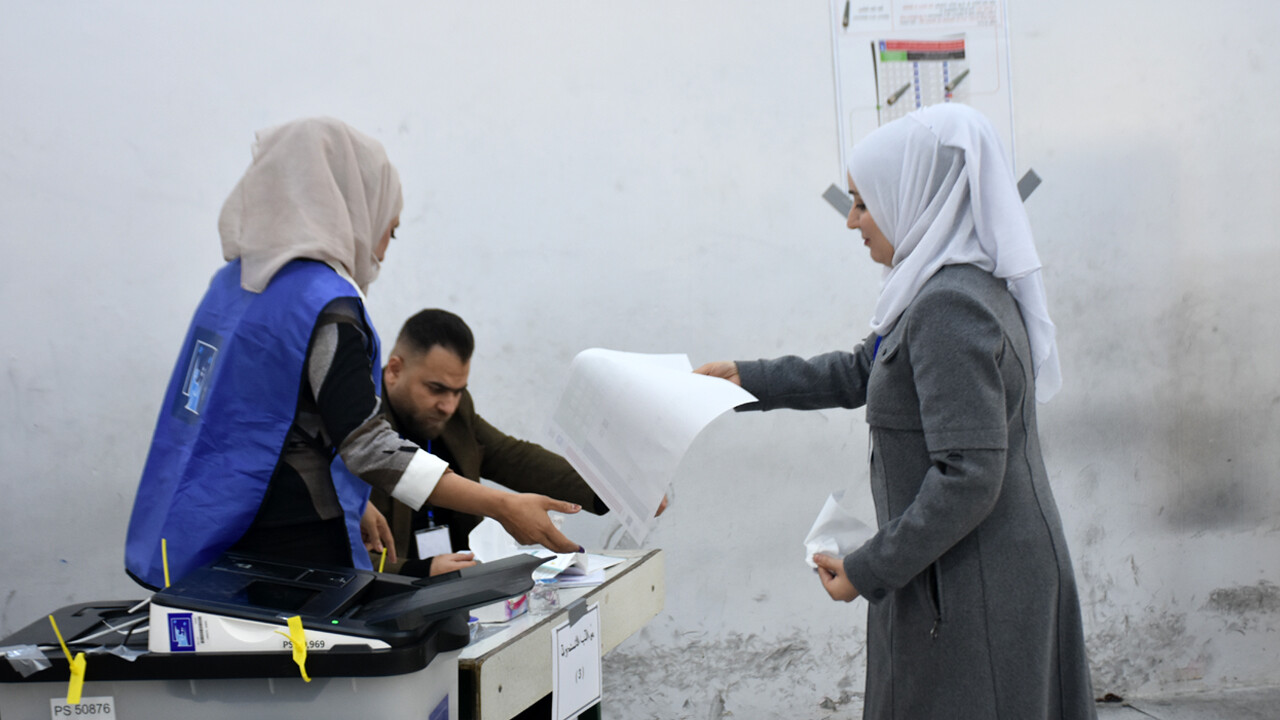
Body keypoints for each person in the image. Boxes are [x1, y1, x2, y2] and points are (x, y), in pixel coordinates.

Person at [695, 104, 1095, 718]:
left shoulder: (948, 306)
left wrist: (866, 569)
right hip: (969, 573)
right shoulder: (949, 288)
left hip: (975, 589)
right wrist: (747, 380)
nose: (852, 220)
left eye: (862, 201)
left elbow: (969, 476)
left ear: (912, 195)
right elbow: (867, 368)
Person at [125, 117, 579, 590]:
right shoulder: (325, 304)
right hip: (287, 544)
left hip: (207, 523)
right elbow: (368, 447)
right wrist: (502, 506)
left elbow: (246, 413)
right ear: (350, 208)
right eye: (389, 229)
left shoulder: (235, 287)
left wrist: (355, 499)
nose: (382, 249)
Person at [368, 309, 608, 577]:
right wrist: (416, 570)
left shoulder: (457, 412)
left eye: (458, 391)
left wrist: (608, 489)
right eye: (436, 389)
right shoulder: (357, 429)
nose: (448, 405)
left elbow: (511, 457)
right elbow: (341, 551)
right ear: (395, 370)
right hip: (390, 595)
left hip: (464, 585)